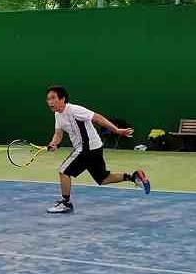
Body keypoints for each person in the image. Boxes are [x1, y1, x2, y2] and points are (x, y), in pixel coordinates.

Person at [45, 86, 149, 214]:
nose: (50, 102)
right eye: (48, 99)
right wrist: (54, 143)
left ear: (63, 99)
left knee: (64, 171)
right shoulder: (58, 115)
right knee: (103, 179)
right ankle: (133, 177)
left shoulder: (74, 110)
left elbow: (97, 117)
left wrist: (116, 130)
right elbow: (58, 134)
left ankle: (65, 203)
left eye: (53, 98)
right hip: (94, 147)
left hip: (87, 147)